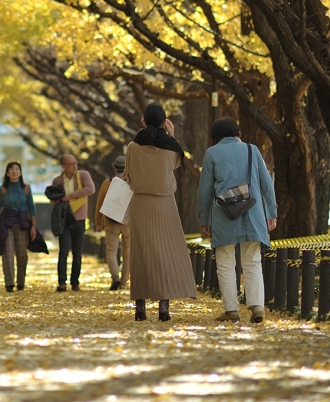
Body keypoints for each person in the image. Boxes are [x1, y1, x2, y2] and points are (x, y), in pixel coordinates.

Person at [198, 117, 278, 324]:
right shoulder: (252, 150)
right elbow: (266, 184)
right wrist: (271, 212)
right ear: (237, 133)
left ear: (215, 137)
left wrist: (204, 218)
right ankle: (257, 307)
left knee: (225, 262)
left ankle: (231, 310)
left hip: (224, 214)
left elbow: (205, 190)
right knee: (252, 260)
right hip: (252, 212)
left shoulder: (211, 153)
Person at [122, 102, 197, 321]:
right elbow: (175, 164)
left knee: (141, 254)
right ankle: (164, 306)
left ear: (143, 121)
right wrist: (172, 136)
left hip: (141, 203)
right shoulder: (170, 147)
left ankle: (140, 307)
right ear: (165, 123)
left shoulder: (133, 147)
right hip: (166, 204)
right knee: (166, 253)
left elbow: (128, 173)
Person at [0, 161, 38, 292]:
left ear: (20, 172)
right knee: (8, 253)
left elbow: (31, 208)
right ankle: (9, 284)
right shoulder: (3, 189)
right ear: (7, 173)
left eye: (17, 169)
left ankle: (21, 282)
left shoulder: (26, 188)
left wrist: (33, 226)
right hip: (6, 223)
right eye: (11, 169)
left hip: (22, 223)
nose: (14, 171)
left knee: (22, 254)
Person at [50, 153, 95, 291]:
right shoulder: (58, 180)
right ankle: (61, 282)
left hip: (80, 219)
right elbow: (53, 200)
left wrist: (70, 196)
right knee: (63, 251)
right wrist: (61, 202)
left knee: (77, 252)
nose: (75, 166)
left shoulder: (83, 175)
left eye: (76, 163)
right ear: (63, 166)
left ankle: (75, 282)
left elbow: (90, 189)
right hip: (64, 221)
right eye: (71, 164)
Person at [95, 154, 131, 291]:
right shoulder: (131, 182)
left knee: (111, 250)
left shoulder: (107, 183)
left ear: (114, 168)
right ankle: (124, 281)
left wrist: (98, 222)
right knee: (127, 253)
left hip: (110, 221)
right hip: (127, 221)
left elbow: (99, 204)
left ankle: (115, 277)